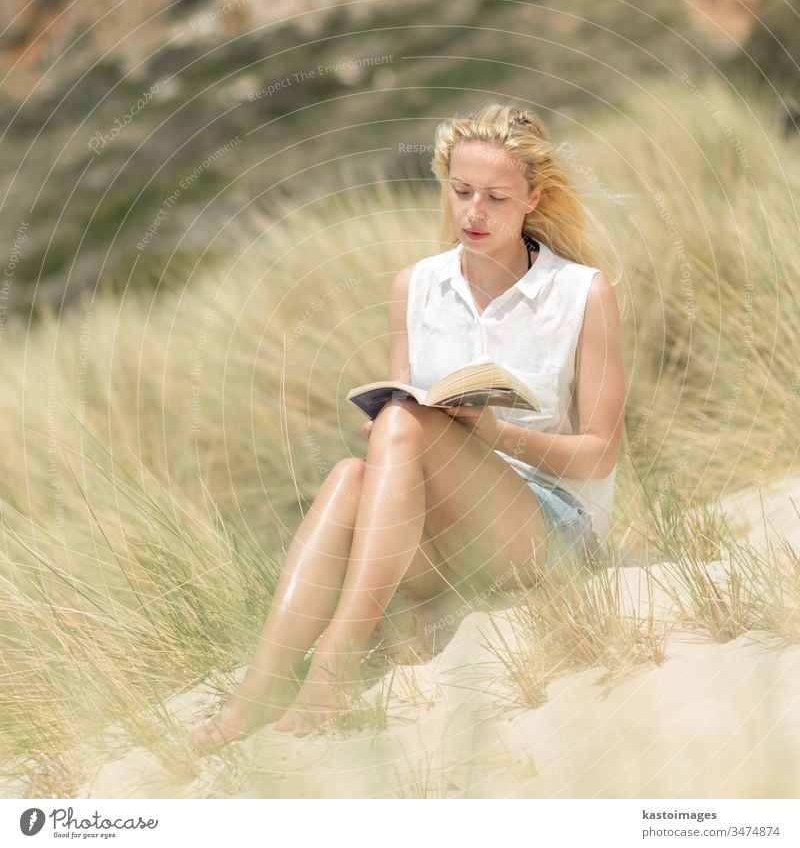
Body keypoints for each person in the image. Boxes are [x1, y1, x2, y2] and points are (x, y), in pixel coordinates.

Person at [191, 100, 625, 747]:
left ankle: (337, 657)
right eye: (462, 192)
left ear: (534, 198)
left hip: (550, 530)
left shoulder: (583, 293)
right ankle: (262, 682)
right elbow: (404, 408)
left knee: (404, 430)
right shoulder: (414, 286)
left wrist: (491, 434)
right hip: (444, 537)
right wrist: (393, 430)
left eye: (497, 198)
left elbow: (600, 454)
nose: (474, 213)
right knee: (349, 471)